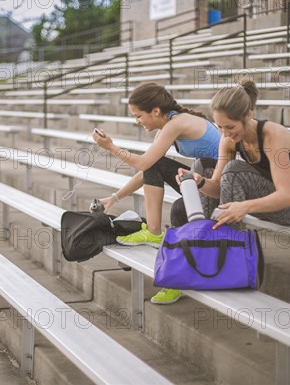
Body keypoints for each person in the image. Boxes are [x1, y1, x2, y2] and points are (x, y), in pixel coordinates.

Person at [92, 82, 221, 304]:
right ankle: (170, 267)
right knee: (172, 196)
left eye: (138, 115)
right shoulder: (168, 125)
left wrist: (111, 147)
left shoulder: (176, 123)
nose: (137, 121)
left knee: (178, 205)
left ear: (155, 111)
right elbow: (147, 168)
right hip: (202, 179)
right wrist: (114, 198)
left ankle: (155, 235)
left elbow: (145, 162)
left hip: (219, 186)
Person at [172, 78, 290, 231]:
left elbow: (286, 197)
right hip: (267, 199)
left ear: (249, 115)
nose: (225, 134)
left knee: (233, 170)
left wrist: (243, 207)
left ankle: (229, 243)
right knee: (203, 166)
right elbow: (217, 188)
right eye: (220, 127)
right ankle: (206, 239)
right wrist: (200, 181)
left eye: (230, 126)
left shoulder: (274, 136)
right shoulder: (228, 139)